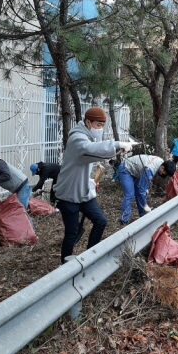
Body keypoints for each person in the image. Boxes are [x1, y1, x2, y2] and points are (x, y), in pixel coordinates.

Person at [54, 106, 132, 263]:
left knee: (100, 221)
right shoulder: (77, 138)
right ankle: (64, 267)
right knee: (72, 231)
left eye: (103, 125)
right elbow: (90, 150)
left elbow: (93, 155)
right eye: (98, 125)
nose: (100, 129)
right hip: (68, 194)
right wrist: (117, 144)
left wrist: (90, 180)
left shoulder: (88, 138)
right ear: (88, 122)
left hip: (83, 192)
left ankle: (90, 257)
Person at [118, 155, 176, 223]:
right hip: (126, 169)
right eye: (164, 173)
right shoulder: (149, 169)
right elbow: (141, 189)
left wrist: (145, 187)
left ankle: (143, 216)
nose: (163, 174)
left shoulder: (161, 162)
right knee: (130, 194)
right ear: (162, 168)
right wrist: (145, 205)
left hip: (137, 171)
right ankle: (124, 219)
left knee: (140, 192)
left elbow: (142, 188)